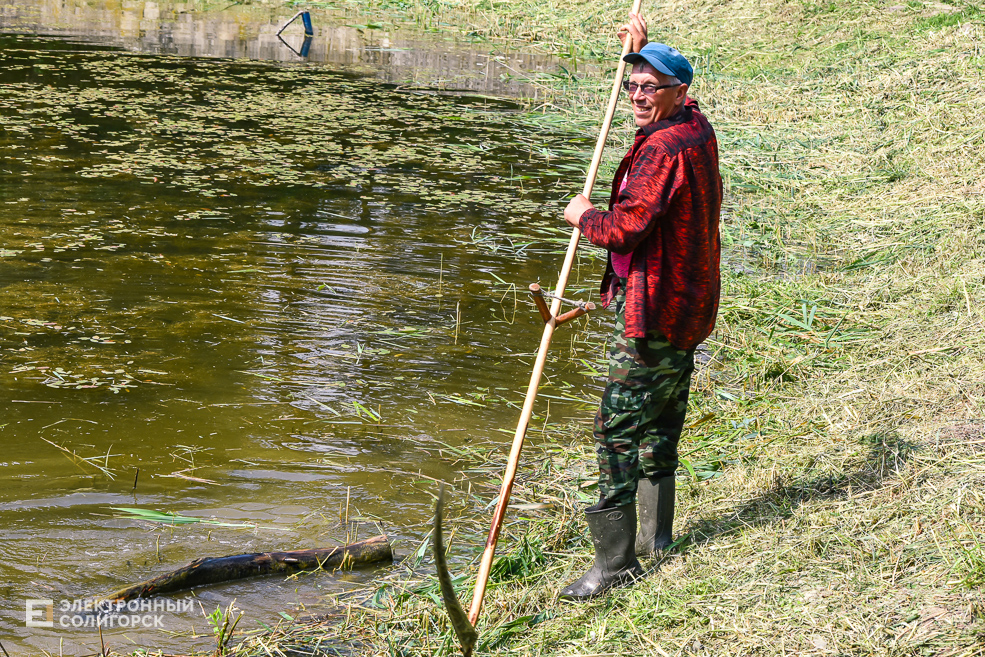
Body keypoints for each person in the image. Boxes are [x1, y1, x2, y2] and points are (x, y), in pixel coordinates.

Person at [558, 16, 723, 601]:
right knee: (660, 424)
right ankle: (659, 542)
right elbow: (649, 108)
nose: (636, 96)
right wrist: (637, 55)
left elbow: (626, 229)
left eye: (649, 87)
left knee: (617, 429)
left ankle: (614, 565)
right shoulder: (695, 128)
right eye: (632, 86)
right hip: (691, 304)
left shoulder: (662, 150)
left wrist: (583, 216)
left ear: (679, 92)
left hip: (654, 312)